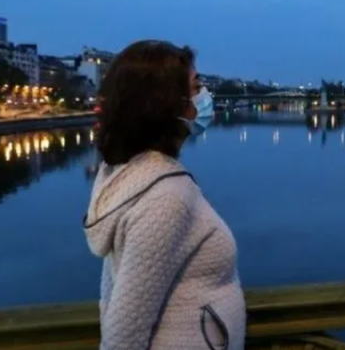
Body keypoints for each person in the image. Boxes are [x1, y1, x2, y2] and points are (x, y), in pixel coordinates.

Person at [83, 40, 245, 349]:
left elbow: (112, 288)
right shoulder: (165, 198)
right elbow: (123, 334)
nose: (205, 96)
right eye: (197, 87)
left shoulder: (127, 176)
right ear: (166, 102)